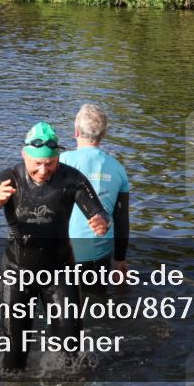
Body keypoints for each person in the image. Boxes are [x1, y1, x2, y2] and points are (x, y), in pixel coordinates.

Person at [0, 122, 109, 371]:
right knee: (14, 356)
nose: (44, 170)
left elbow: (97, 210)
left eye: (50, 163)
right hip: (17, 272)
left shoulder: (72, 178)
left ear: (58, 157)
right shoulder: (8, 179)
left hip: (60, 272)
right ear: (24, 155)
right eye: (37, 164)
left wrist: (101, 220)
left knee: (71, 352)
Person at [60, 104, 130, 292]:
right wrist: (120, 259)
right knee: (97, 305)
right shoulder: (118, 168)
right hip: (100, 255)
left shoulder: (60, 162)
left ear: (76, 131)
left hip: (64, 253)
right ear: (104, 134)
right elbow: (122, 219)